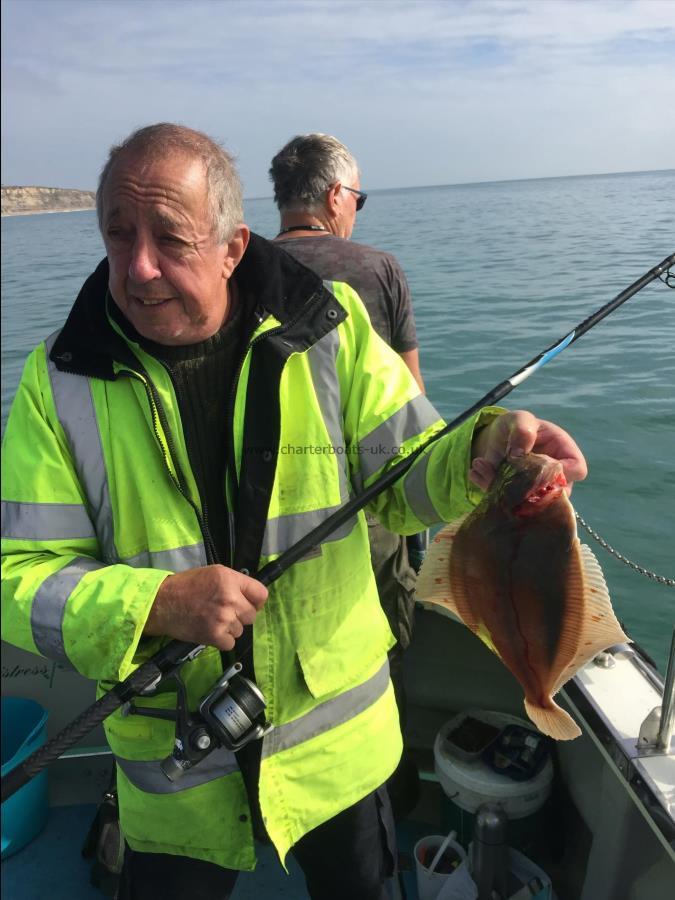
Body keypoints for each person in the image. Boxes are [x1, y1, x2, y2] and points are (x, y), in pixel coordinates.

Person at [1, 123, 587, 900]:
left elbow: (414, 475)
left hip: (334, 756)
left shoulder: (330, 329)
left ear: (233, 246)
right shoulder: (59, 378)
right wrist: (156, 603)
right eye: (118, 235)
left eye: (170, 239)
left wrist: (488, 449)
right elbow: (17, 576)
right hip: (174, 769)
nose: (138, 267)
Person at [269, 133, 425, 818]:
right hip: (370, 521)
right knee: (376, 646)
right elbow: (413, 415)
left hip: (264, 525)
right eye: (356, 198)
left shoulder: (230, 271)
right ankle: (378, 785)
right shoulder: (378, 269)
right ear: (334, 197)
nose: (356, 209)